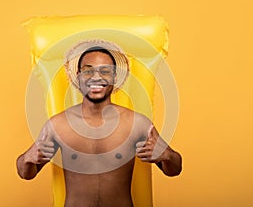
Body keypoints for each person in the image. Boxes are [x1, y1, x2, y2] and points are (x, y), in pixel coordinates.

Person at [16, 39, 182, 207]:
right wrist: (27, 159)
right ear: (78, 76)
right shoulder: (58, 125)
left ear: (115, 77)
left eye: (105, 71)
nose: (96, 77)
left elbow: (175, 169)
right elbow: (26, 173)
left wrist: (167, 155)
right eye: (88, 71)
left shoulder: (137, 123)